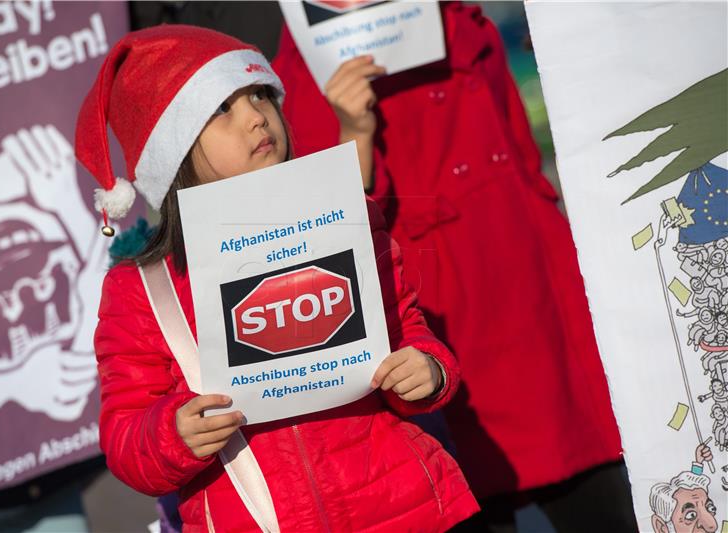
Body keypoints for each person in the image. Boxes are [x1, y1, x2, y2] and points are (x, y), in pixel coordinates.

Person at [75, 25, 478, 532]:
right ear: (173, 155)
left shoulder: (345, 218)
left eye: (260, 95)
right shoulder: (141, 290)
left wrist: (428, 372)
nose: (254, 117)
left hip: (407, 510)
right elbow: (125, 435)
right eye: (220, 109)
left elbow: (409, 329)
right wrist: (173, 434)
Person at [272, 2, 635, 531]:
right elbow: (328, 224)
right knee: (477, 493)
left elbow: (523, 156)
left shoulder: (459, 17)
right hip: (444, 317)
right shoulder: (310, 55)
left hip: (541, 299)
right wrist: (355, 129)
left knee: (603, 493)